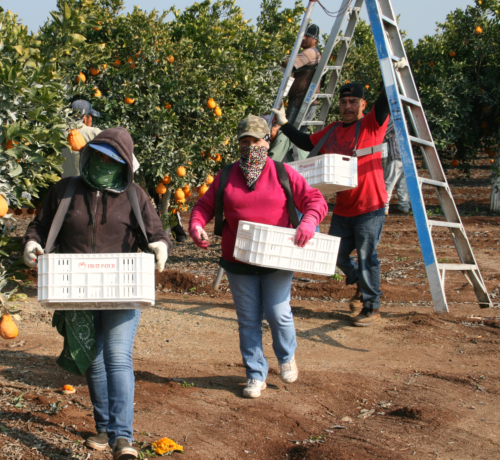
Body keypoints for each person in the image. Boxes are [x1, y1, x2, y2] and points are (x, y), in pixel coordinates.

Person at [23, 127, 171, 459]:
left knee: (118, 355)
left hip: (122, 287)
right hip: (77, 288)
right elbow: (39, 226)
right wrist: (32, 243)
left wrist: (160, 246)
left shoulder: (135, 195)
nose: (104, 163)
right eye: (100, 156)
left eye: (112, 159)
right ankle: (104, 427)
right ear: (89, 155)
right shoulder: (65, 191)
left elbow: (157, 232)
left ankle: (122, 437)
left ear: (124, 165)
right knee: (94, 357)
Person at [189, 116, 327, 399]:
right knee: (248, 319)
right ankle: (255, 374)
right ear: (238, 143)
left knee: (278, 313)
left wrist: (309, 222)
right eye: (245, 141)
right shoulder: (227, 175)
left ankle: (286, 356)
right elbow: (204, 205)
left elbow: (315, 200)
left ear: (268, 141)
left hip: (276, 257)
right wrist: (197, 226)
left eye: (257, 141)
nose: (251, 147)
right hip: (238, 260)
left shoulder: (283, 172)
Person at [272, 70, 406, 327]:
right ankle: (360, 283)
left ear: (363, 105)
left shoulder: (371, 124)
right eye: (344, 102)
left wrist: (391, 72)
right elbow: (304, 141)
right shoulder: (331, 131)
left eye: (353, 102)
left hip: (370, 205)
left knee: (368, 256)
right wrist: (285, 124)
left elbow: (386, 98)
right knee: (337, 256)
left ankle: (371, 306)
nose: (347, 106)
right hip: (344, 208)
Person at [285, 24, 321, 124]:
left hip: (301, 101)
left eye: (308, 36)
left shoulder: (310, 52)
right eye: (302, 35)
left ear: (315, 40)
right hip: (306, 101)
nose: (303, 38)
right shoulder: (315, 52)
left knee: (289, 132)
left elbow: (288, 64)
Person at [62, 100, 102, 178]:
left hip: (66, 185)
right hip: (86, 184)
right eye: (91, 116)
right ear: (85, 118)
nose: (92, 120)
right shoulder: (94, 133)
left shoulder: (60, 131)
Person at [382, 120, 410, 215]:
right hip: (404, 157)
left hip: (395, 157)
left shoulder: (394, 121)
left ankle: (384, 207)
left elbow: (383, 133)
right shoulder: (402, 120)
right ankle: (404, 207)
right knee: (402, 184)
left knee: (388, 183)